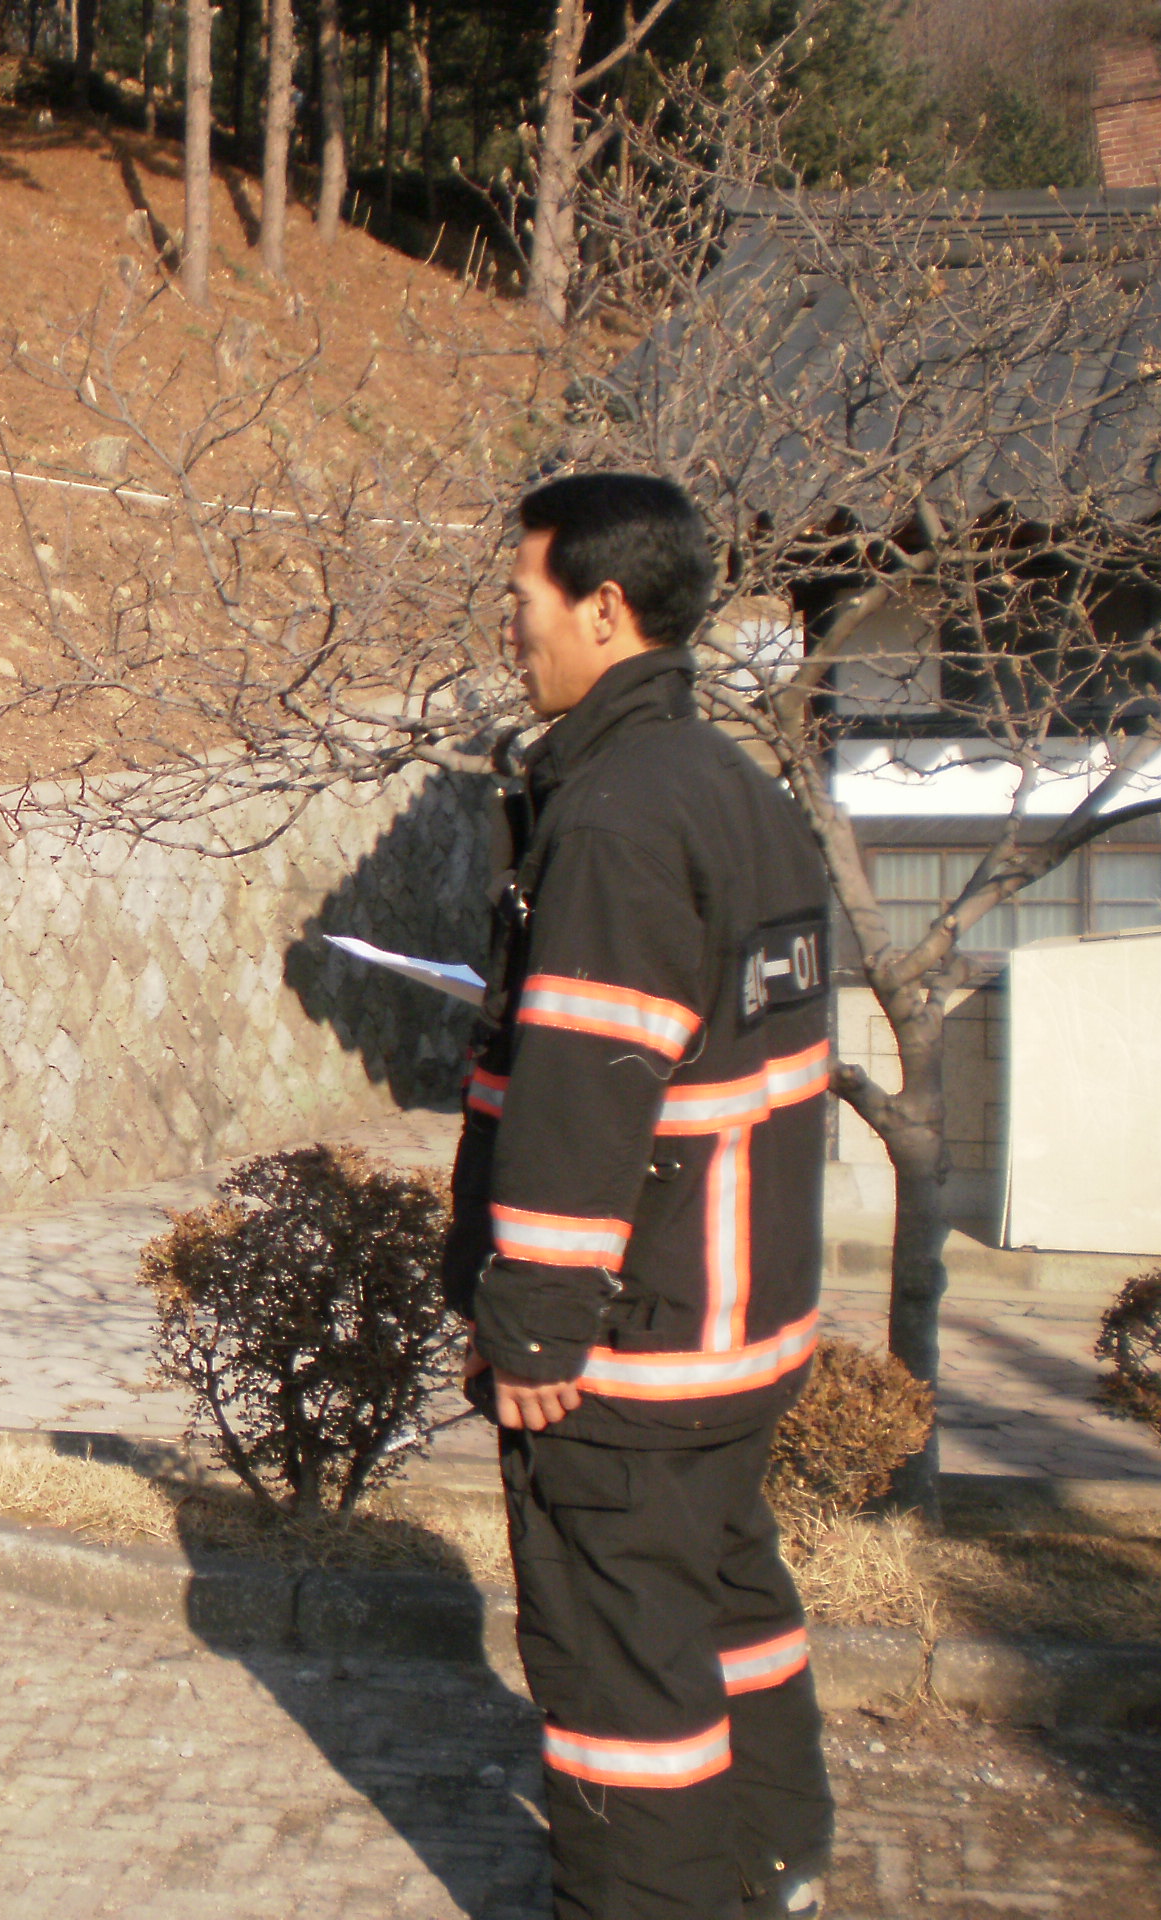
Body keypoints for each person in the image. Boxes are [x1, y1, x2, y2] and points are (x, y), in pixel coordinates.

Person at [445, 474, 835, 1920]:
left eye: (523, 599)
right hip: (745, 1316)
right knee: (728, 1605)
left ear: (603, 608)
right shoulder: (736, 787)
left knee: (622, 1669)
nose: (511, 629)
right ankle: (773, 1866)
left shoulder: (614, 818)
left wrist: (537, 1323)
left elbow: (584, 1090)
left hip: (636, 1347)